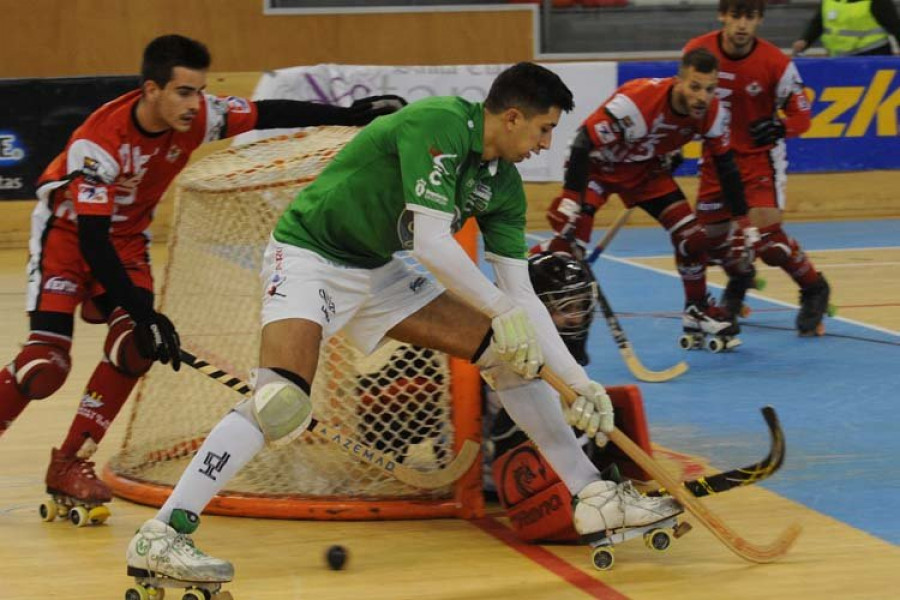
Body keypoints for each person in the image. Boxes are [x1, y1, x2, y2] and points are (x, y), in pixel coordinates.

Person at [125, 62, 682, 586]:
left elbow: (520, 296)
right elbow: (433, 243)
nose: (544, 145)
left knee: (507, 354)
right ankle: (163, 535)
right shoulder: (438, 123)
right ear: (511, 116)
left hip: (376, 269)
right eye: (542, 129)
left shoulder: (503, 185)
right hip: (309, 256)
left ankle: (591, 494)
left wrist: (577, 382)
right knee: (282, 401)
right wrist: (500, 310)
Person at [0, 34, 406, 514]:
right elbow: (92, 239)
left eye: (200, 91)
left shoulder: (198, 118)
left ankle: (71, 461)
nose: (197, 104)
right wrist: (144, 310)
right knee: (44, 366)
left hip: (127, 241)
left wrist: (350, 116)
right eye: (184, 92)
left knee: (135, 348)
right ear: (151, 90)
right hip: (68, 241)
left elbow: (267, 113)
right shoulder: (99, 143)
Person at [544, 48, 754, 346]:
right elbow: (582, 143)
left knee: (691, 239)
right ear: (678, 81)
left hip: (644, 173)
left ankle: (696, 309)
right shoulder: (638, 103)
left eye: (709, 89)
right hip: (597, 167)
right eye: (695, 87)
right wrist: (570, 198)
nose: (702, 97)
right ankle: (526, 275)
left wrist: (742, 218)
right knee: (567, 249)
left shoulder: (712, 113)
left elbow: (726, 165)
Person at [685, 0, 831, 335]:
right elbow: (682, 96)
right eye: (735, 16)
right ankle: (740, 277)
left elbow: (802, 115)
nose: (741, 25)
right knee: (710, 244)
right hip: (715, 160)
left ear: (759, 20)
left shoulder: (775, 63)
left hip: (757, 160)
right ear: (723, 15)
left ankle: (813, 287)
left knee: (769, 243)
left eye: (749, 17)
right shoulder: (699, 51)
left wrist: (782, 127)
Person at [792, 0, 900, 57]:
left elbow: (896, 27)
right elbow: (818, 22)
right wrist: (805, 40)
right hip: (838, 59)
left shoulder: (877, 1)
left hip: (872, 58)